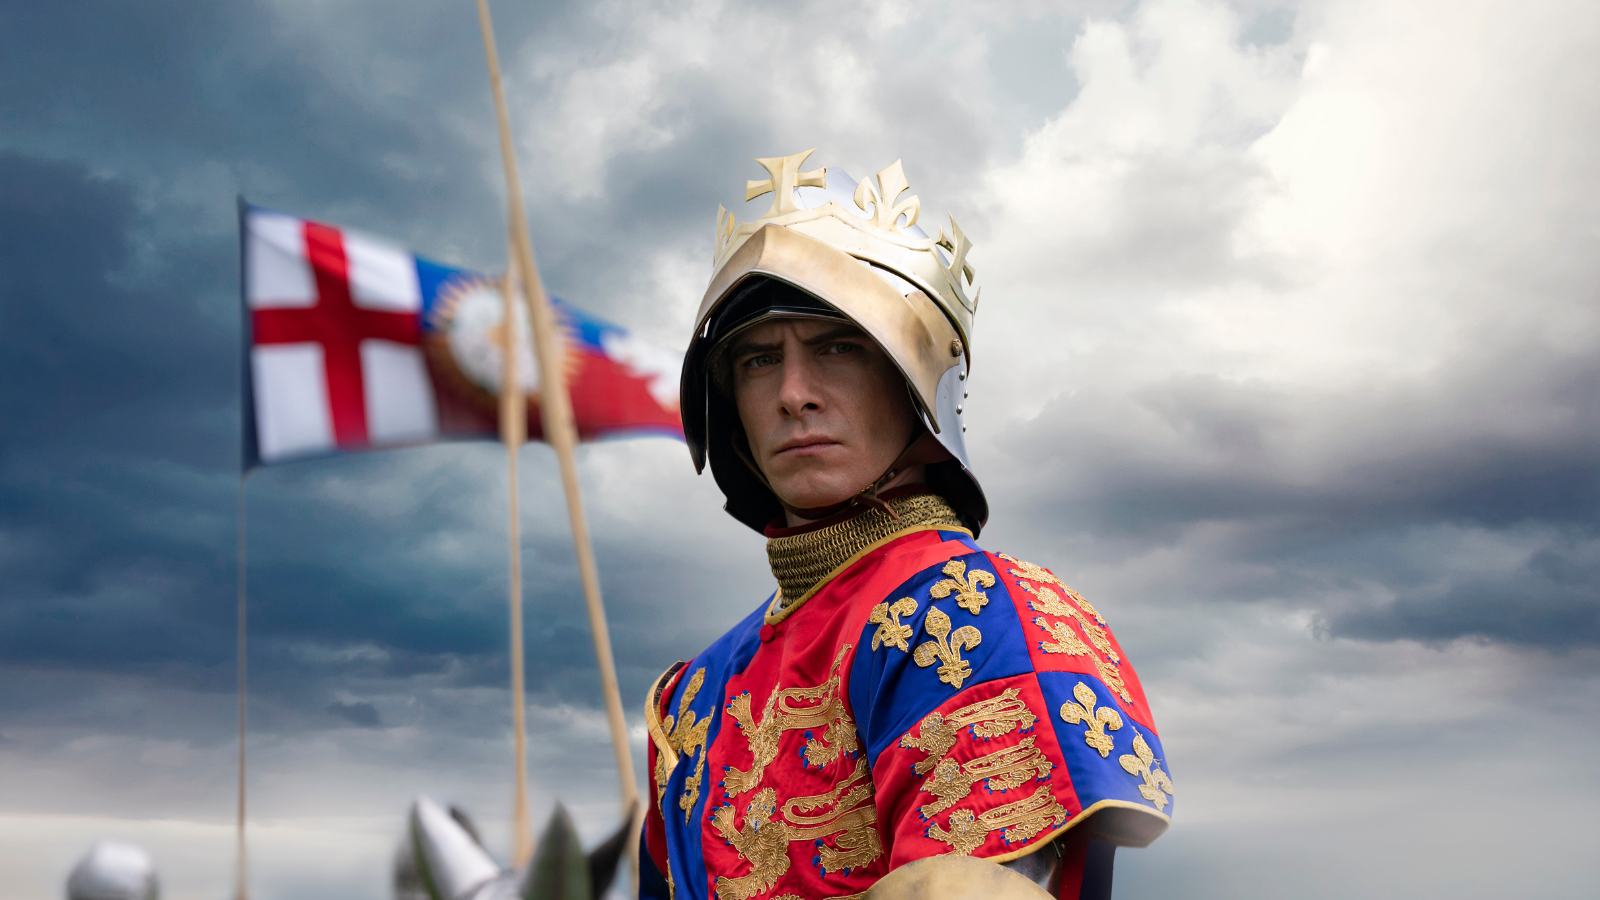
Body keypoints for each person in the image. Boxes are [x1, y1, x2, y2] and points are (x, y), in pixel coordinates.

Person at [641, 150, 1173, 900]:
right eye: (759, 360)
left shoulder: (977, 613)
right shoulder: (693, 697)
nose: (794, 394)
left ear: (913, 379)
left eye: (837, 347)